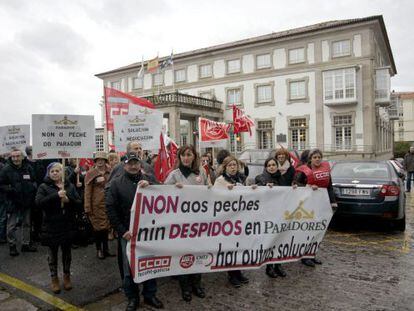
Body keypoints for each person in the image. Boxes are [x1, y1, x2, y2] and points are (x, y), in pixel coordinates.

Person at [106, 152, 163, 310]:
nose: (133, 166)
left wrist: (152, 185)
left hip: (148, 233)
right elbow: (111, 209)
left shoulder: (149, 180)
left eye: (136, 163)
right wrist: (122, 230)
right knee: (129, 268)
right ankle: (132, 298)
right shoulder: (116, 183)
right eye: (130, 163)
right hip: (128, 233)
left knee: (150, 264)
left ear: (140, 164)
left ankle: (150, 295)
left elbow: (165, 195)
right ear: (124, 165)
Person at [164, 145, 207, 302]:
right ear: (179, 157)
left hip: (198, 222)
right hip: (181, 223)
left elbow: (209, 192)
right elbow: (162, 195)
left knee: (198, 253)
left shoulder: (201, 173)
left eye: (189, 155)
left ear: (194, 156)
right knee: (183, 255)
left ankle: (197, 284)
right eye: (183, 155)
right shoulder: (174, 175)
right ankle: (185, 287)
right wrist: (174, 190)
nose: (186, 158)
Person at [35, 162, 81, 294]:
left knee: (67, 253)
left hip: (67, 224)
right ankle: (54, 278)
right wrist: (56, 196)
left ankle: (67, 276)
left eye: (57, 171)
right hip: (51, 225)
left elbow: (78, 203)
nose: (55, 173)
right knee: (52, 254)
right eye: (52, 171)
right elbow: (39, 203)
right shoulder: (43, 187)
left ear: (62, 172)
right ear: (49, 173)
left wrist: (68, 200)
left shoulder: (69, 186)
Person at [293, 149, 337, 267]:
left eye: (319, 157)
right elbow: (295, 183)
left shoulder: (325, 170)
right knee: (307, 229)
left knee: (317, 230)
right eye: (315, 157)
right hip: (306, 204)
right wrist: (307, 186)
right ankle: (304, 256)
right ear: (310, 159)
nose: (317, 159)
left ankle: (312, 255)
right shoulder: (304, 170)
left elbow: (329, 187)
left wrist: (333, 202)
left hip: (321, 203)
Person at [214, 155, 249, 287]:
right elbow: (216, 199)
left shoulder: (242, 178)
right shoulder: (220, 180)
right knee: (230, 247)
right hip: (227, 218)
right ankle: (231, 274)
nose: (233, 167)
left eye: (235, 165)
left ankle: (238, 272)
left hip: (240, 216)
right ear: (225, 167)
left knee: (239, 246)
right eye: (230, 165)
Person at [0, 147, 37, 256]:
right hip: (12, 201)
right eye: (13, 156)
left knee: (26, 223)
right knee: (11, 225)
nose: (15, 158)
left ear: (22, 156)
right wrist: (11, 190)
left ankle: (25, 244)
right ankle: (12, 245)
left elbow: (34, 180)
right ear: (11, 157)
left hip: (26, 200)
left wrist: (31, 189)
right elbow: (1, 185)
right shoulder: (6, 169)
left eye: (17, 156)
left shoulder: (28, 167)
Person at [254, 157, 283, 278]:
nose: (271, 167)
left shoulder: (282, 178)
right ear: (266, 167)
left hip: (280, 213)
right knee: (270, 241)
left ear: (277, 166)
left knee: (280, 240)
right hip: (268, 214)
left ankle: (278, 265)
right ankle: (269, 267)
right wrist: (265, 185)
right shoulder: (261, 177)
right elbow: (258, 187)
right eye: (269, 165)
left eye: (273, 165)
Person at [84, 152, 114, 259]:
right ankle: (99, 250)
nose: (100, 161)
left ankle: (106, 249)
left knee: (106, 228)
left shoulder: (110, 171)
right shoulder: (91, 173)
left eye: (102, 159)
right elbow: (87, 192)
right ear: (95, 161)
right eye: (98, 159)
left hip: (108, 203)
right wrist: (87, 207)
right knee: (98, 228)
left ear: (105, 160)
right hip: (96, 205)